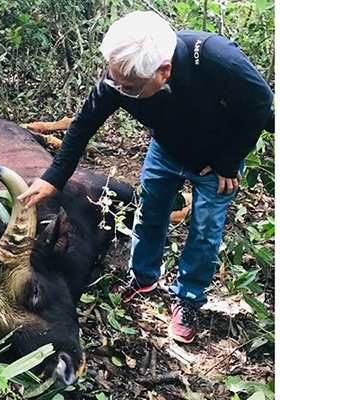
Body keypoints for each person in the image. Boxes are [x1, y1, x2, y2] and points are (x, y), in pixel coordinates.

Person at [17, 10, 274, 344]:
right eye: (116, 82)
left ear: (164, 71)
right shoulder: (121, 76)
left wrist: (229, 161)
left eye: (131, 88)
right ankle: (142, 276)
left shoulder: (216, 59)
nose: (120, 91)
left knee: (204, 232)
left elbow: (261, 105)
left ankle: (188, 299)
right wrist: (54, 176)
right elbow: (84, 123)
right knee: (149, 212)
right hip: (167, 151)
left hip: (216, 165)